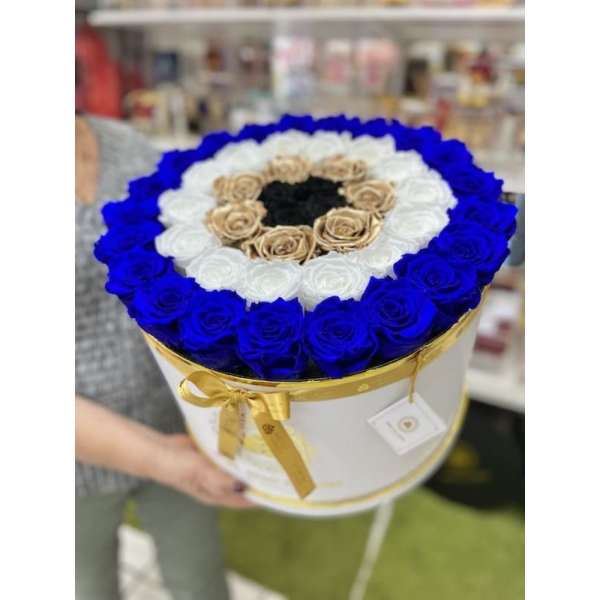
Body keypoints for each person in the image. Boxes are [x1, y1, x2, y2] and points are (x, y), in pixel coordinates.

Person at [75, 115, 252, 600]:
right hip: (73, 465)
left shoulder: (129, 147)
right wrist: (162, 461)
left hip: (177, 420)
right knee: (88, 586)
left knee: (201, 580)